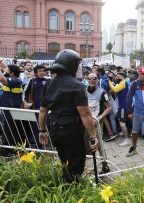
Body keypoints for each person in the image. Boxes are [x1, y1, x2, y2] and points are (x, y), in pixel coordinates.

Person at [38, 49, 98, 183]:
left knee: (65, 161)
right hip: (71, 130)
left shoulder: (49, 83)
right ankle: (70, 191)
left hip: (54, 129)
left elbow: (42, 110)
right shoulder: (77, 86)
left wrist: (42, 130)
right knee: (75, 165)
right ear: (72, 65)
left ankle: (65, 185)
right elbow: (85, 114)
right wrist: (93, 136)